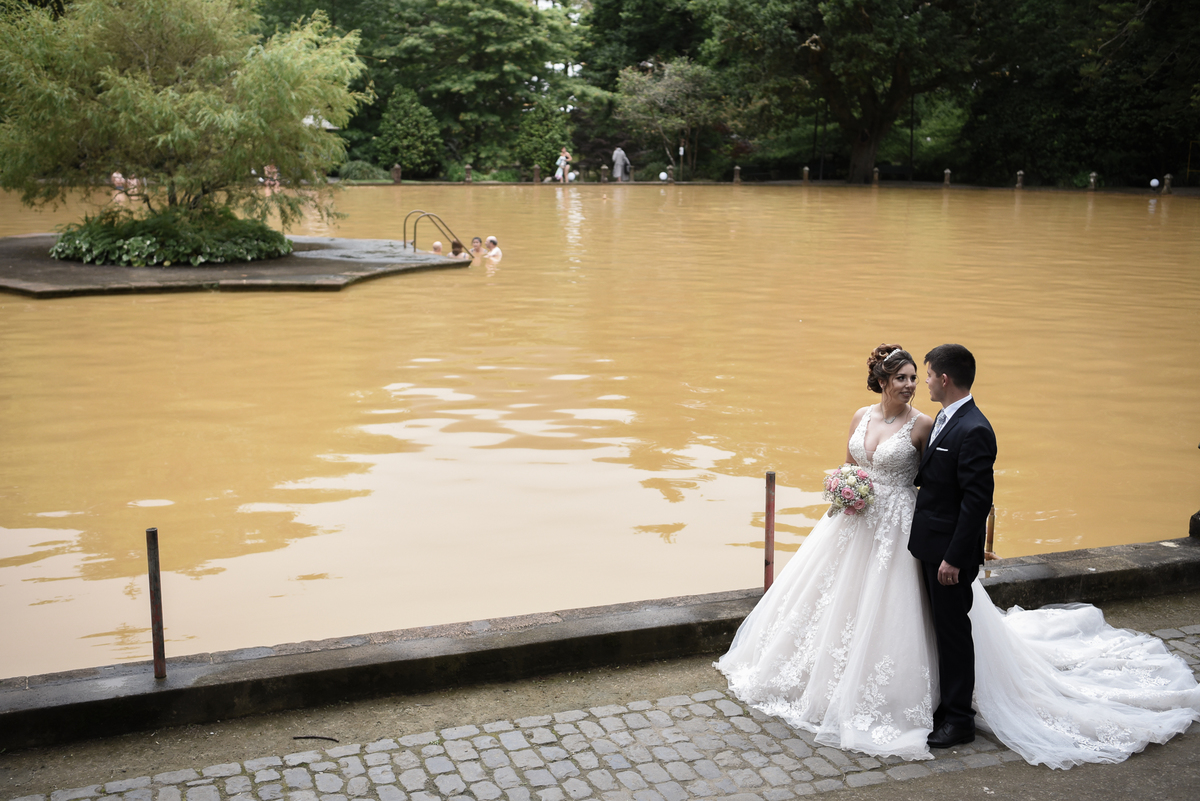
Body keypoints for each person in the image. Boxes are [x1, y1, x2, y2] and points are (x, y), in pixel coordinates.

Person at [715, 344, 1200, 768]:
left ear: (939, 379)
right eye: (902, 378)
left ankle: (950, 711)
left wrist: (951, 550)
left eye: (918, 376)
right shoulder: (870, 416)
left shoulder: (935, 424)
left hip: (907, 528)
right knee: (836, 603)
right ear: (883, 381)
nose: (912, 384)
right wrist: (848, 486)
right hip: (854, 522)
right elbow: (852, 463)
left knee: (923, 615)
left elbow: (962, 494)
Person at [909, 344, 994, 748]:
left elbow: (976, 502)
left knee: (954, 632)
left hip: (948, 555)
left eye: (926, 375)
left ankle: (960, 719)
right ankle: (945, 705)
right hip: (930, 545)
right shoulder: (945, 417)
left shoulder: (975, 429)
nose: (923, 381)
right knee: (941, 629)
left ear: (944, 379)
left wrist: (954, 559)